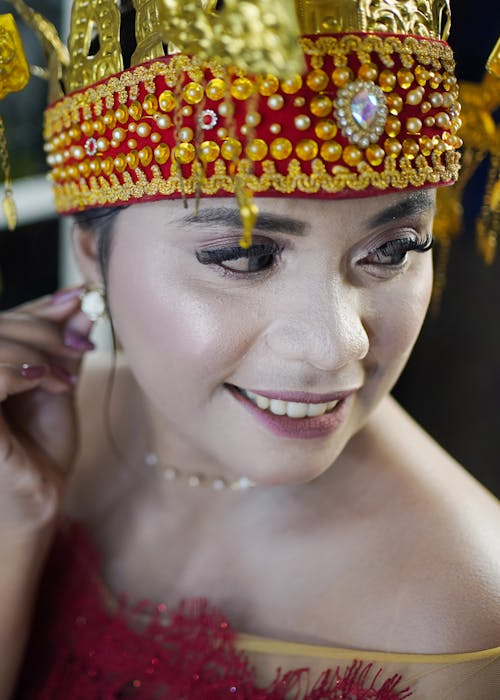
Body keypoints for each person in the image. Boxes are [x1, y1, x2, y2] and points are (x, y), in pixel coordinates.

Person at [1, 1, 499, 698]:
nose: (337, 347)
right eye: (243, 255)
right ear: (92, 252)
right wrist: (14, 528)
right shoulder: (26, 436)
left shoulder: (458, 615)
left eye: (392, 250)